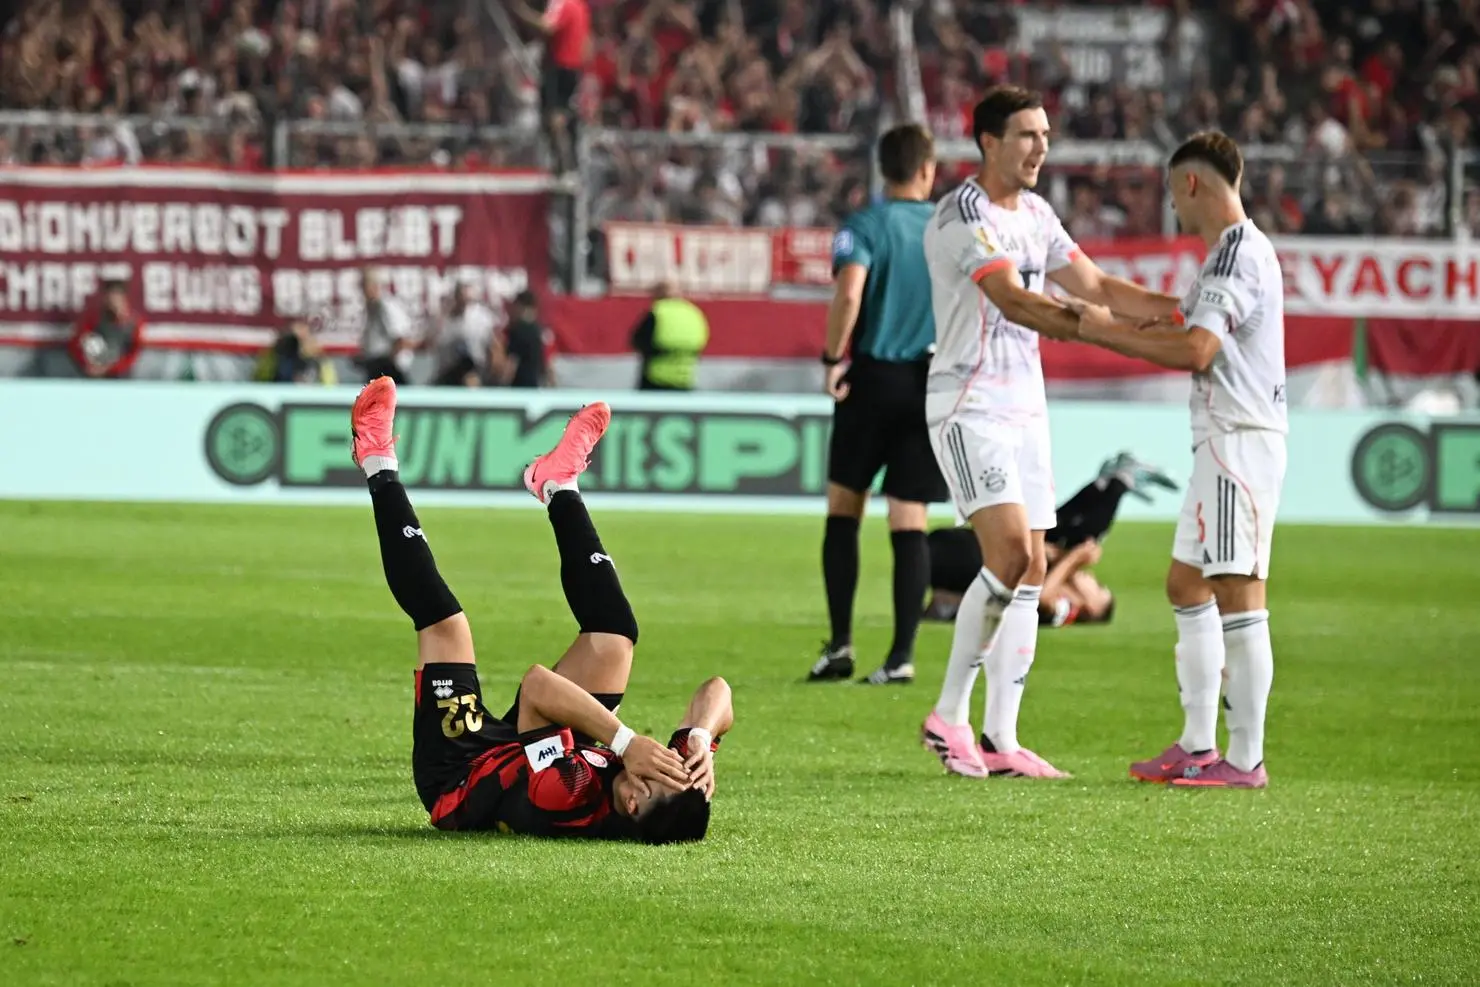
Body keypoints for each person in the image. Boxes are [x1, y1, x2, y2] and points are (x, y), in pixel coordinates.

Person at [919, 85, 1184, 780]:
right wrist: (1107, 330)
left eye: (1045, 135)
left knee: (1034, 566)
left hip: (1026, 409)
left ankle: (1002, 736)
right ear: (988, 141)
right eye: (1027, 135)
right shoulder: (960, 214)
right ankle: (949, 715)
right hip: (968, 405)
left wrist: (1180, 309)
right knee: (1008, 556)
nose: (1042, 147)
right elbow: (1013, 298)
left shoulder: (1036, 213)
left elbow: (1093, 282)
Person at [350, 377, 734, 838]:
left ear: (631, 802)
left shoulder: (564, 794)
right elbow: (717, 691)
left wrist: (625, 741)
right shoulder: (663, 784)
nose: (666, 764)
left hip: (463, 768)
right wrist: (700, 740)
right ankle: (558, 484)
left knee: (445, 624)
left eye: (662, 774)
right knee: (614, 639)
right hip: (527, 748)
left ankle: (376, 457)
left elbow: (537, 687)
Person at [1071, 132, 1287, 789]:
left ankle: (1244, 759)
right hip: (1220, 441)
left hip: (1238, 440)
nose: (1172, 207)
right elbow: (1179, 325)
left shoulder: (1236, 257)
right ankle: (1197, 743)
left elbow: (1196, 350)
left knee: (1239, 593)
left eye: (1172, 193)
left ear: (1192, 184)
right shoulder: (1229, 255)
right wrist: (1108, 315)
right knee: (1186, 583)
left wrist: (1099, 331)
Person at [808, 123, 949, 687]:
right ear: (927, 170)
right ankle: (901, 656)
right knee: (909, 518)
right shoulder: (948, 228)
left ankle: (840, 643)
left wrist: (830, 358)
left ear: (883, 170)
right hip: (929, 382)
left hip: (870, 379)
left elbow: (849, 291)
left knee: (845, 510)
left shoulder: (863, 224)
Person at [924, 453, 1179, 626]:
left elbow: (1043, 599)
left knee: (1078, 542)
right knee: (1055, 535)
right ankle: (1107, 484)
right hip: (955, 551)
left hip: (960, 559)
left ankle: (1115, 483)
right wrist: (1063, 558)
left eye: (1100, 590)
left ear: (1091, 607)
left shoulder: (1068, 609)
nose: (1094, 580)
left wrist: (1075, 558)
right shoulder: (1050, 570)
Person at [631, 282, 709, 391]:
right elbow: (701, 342)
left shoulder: (658, 312)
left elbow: (638, 340)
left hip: (656, 379)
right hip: (686, 378)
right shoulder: (694, 313)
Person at [68, 279, 143, 379]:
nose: (113, 301)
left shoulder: (133, 322)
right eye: (110, 297)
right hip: (93, 371)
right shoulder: (93, 319)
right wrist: (88, 365)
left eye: (116, 297)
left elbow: (134, 353)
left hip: (121, 373)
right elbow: (76, 343)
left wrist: (111, 368)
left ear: (123, 298)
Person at [431, 283, 499, 387]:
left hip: (476, 369)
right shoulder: (446, 321)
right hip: (450, 371)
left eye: (469, 301)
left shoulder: (482, 318)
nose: (466, 305)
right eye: (462, 300)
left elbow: (493, 346)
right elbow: (436, 345)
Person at [357, 267, 416, 384]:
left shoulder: (386, 306)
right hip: (375, 367)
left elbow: (401, 340)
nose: (362, 290)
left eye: (364, 285)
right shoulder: (372, 308)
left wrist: (388, 360)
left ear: (375, 286)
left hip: (388, 370)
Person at [502, 289, 555, 388]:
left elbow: (512, 362)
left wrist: (502, 386)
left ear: (520, 306)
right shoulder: (541, 332)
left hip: (519, 387)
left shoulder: (518, 331)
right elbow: (548, 363)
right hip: (535, 387)